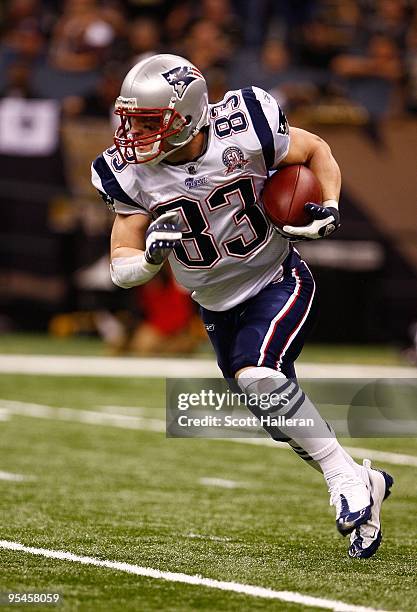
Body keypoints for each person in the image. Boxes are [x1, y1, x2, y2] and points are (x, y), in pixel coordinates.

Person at [91, 53, 393, 559]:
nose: (133, 135)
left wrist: (331, 208)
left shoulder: (246, 123)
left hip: (276, 278)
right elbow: (120, 262)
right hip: (214, 303)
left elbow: (315, 149)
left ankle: (344, 479)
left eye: (147, 123)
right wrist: (148, 260)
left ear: (185, 115)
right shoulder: (127, 173)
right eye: (130, 120)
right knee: (280, 417)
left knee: (259, 376)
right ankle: (366, 481)